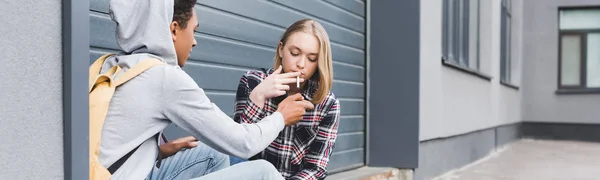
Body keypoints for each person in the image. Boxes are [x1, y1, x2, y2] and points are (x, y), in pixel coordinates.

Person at [97, 0, 314, 179]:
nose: (194, 42)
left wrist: (158, 151)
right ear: (173, 30)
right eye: (193, 30)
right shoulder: (163, 77)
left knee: (214, 153)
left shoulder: (113, 65)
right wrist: (281, 117)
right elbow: (243, 143)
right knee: (264, 173)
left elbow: (109, 145)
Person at [232, 19, 341, 179]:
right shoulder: (252, 82)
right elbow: (237, 149)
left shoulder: (327, 104)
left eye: (311, 58)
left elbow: (316, 168)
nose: (301, 64)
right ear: (281, 49)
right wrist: (258, 96)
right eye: (295, 53)